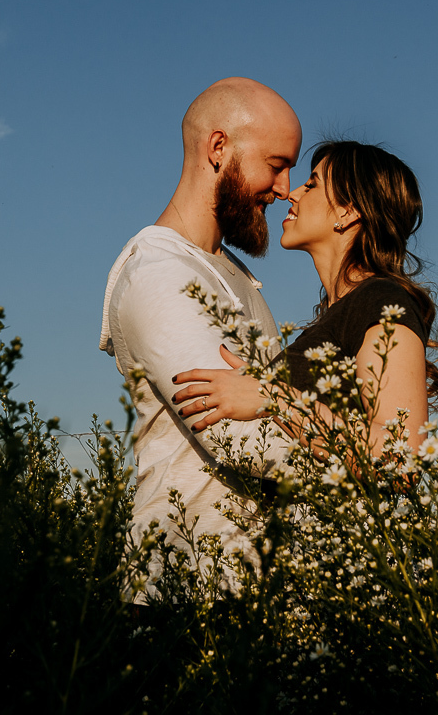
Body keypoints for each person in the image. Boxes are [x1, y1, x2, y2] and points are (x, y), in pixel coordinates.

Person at [98, 77, 302, 584]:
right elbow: (236, 436)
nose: (285, 189)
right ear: (218, 147)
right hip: (184, 589)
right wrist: (361, 452)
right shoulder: (160, 271)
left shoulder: (229, 270)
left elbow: (267, 406)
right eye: (276, 166)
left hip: (250, 589)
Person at [173, 141, 438, 466]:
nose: (292, 193)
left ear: (348, 211)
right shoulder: (338, 316)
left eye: (312, 183)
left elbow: (402, 459)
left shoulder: (383, 301)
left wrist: (273, 397)